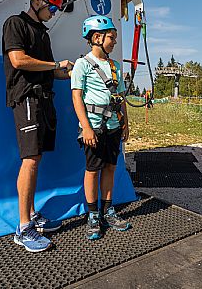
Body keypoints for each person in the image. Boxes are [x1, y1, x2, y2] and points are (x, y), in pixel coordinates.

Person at [2, 0, 74, 252]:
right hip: (26, 98)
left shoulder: (42, 34)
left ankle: (32, 214)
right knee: (30, 159)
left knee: (36, 158)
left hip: (44, 100)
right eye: (52, 8)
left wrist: (74, 72)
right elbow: (18, 60)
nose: (53, 14)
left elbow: (50, 71)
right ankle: (23, 228)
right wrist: (56, 64)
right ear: (38, 0)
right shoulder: (15, 24)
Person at [71, 15, 131, 240]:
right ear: (97, 37)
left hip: (114, 127)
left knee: (110, 168)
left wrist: (125, 123)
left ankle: (108, 210)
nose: (114, 42)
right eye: (111, 38)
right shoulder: (82, 65)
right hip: (93, 129)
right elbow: (77, 98)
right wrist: (86, 128)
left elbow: (121, 97)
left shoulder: (115, 67)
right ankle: (93, 214)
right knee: (92, 170)